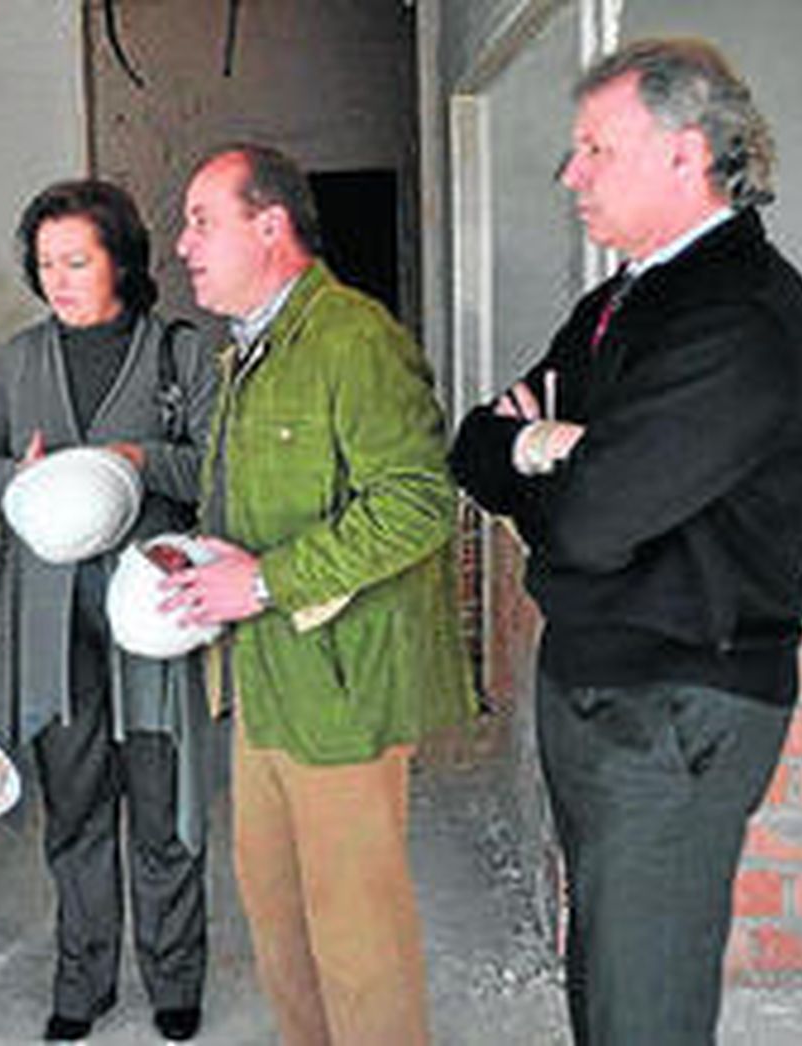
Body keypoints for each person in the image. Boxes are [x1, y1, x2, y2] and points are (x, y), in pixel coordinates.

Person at [449, 39, 802, 1045]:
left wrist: (554, 470)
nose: (568, 173)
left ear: (685, 151)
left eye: (593, 149)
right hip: (603, 679)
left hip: (679, 701)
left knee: (641, 1004)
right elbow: (471, 447)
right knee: (609, 971)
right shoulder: (621, 300)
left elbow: (587, 520)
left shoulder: (738, 314)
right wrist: (542, 442)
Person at [163, 144, 475, 1045]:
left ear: (271, 227)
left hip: (344, 690)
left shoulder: (354, 337)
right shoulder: (246, 353)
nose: (183, 245)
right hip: (264, 679)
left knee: (356, 935)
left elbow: (417, 504)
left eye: (201, 220)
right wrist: (211, 557)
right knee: (279, 922)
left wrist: (262, 578)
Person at [0, 179, 217, 1043]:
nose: (58, 279)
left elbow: (217, 468)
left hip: (151, 607)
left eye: (77, 261)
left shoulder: (178, 354)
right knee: (74, 804)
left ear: (122, 261)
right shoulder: (19, 361)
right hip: (52, 616)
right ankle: (84, 977)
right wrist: (15, 478)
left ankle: (175, 976)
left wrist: (142, 460)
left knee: (161, 794)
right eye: (44, 265)